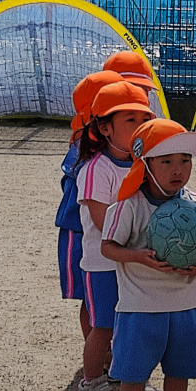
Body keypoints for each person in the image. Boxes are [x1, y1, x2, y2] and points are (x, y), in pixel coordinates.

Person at [101, 119, 196, 391]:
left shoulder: (193, 204)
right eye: (166, 161)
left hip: (185, 303)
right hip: (139, 305)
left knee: (180, 369)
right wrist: (138, 256)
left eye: (185, 160)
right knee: (133, 371)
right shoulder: (129, 204)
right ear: (146, 165)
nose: (178, 169)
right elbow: (108, 247)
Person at [73, 81, 165, 391]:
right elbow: (102, 222)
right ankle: (91, 383)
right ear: (104, 127)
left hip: (134, 263)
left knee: (135, 327)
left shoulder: (147, 164)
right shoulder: (96, 168)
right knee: (104, 327)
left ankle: (134, 380)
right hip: (103, 265)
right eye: (130, 120)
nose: (140, 126)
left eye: (144, 119)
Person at [55, 70, 124, 344]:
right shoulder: (85, 146)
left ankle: (107, 347)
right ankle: (96, 349)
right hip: (78, 227)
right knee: (89, 294)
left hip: (106, 230)